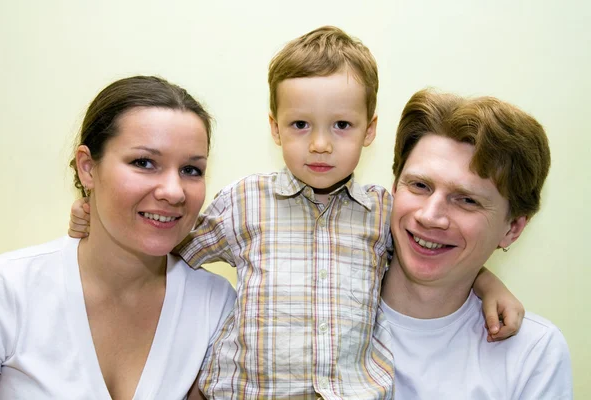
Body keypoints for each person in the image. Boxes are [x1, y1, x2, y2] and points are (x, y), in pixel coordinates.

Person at [68, 27, 524, 399]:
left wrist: (488, 283)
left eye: (341, 125)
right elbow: (167, 246)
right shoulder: (245, 201)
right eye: (300, 125)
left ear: (370, 131)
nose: (320, 144)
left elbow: (431, 250)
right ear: (274, 128)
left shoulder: (384, 210)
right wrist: (98, 224)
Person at [0, 76, 236, 399]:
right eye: (144, 163)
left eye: (191, 170)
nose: (174, 192)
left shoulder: (215, 303)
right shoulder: (5, 289)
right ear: (88, 168)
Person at [378, 89, 573, 399]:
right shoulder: (320, 309)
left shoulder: (532, 353)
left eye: (467, 200)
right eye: (419, 185)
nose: (430, 216)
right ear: (393, 189)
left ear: (513, 228)